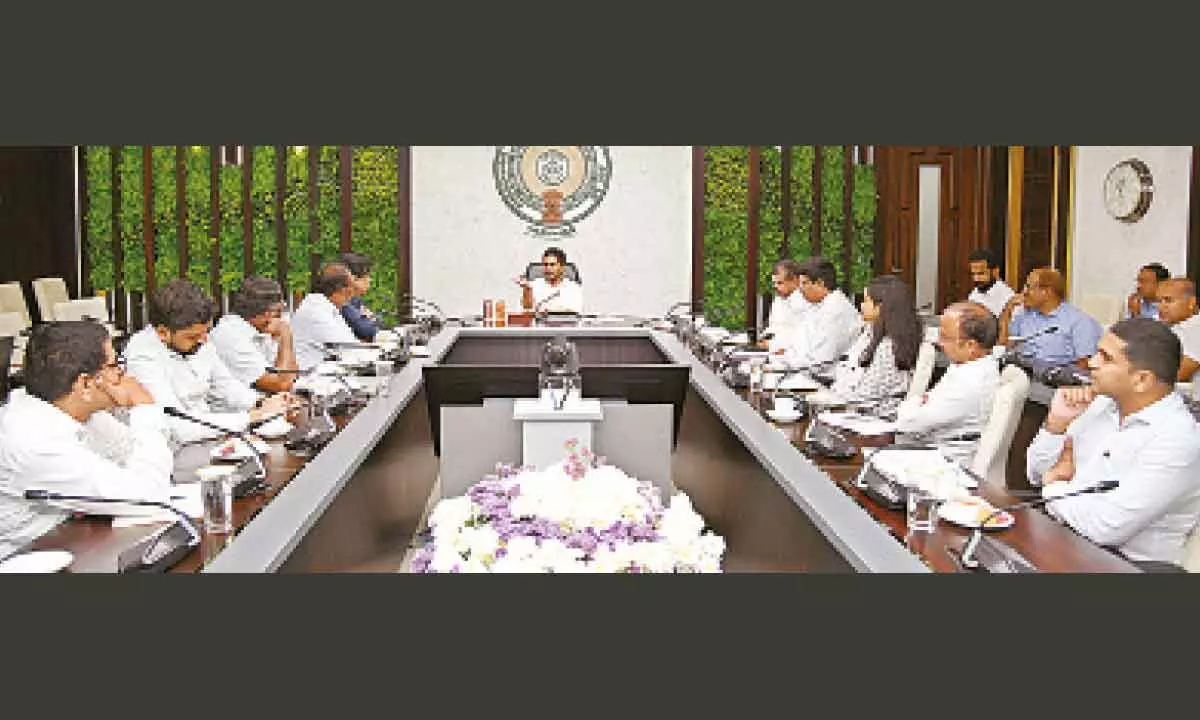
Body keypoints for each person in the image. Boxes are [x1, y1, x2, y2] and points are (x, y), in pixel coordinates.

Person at [1026, 318, 1200, 567]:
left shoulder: (1176, 439)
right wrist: (1057, 424)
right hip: (1068, 539)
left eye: (1106, 358)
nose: (1091, 363)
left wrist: (1054, 487)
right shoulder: (1100, 405)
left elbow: (1106, 527)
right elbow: (1035, 474)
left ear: (1141, 380)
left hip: (1130, 565)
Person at [0, 321, 175, 559]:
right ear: (84, 384)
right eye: (115, 366)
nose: (124, 376)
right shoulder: (32, 439)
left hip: (79, 544)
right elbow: (148, 499)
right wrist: (144, 408)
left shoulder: (75, 409)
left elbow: (136, 453)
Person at [124, 279, 289, 444]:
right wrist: (251, 417)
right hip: (173, 450)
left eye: (206, 332)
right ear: (162, 332)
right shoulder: (142, 357)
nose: (204, 340)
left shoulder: (200, 340)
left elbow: (226, 385)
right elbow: (178, 427)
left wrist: (263, 403)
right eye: (193, 336)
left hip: (208, 437)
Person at [895, 302, 1001, 461]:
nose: (940, 342)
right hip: (931, 448)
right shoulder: (965, 365)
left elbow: (908, 423)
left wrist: (916, 403)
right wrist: (919, 403)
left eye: (945, 337)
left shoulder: (970, 381)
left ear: (970, 345)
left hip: (946, 460)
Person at [828, 275, 922, 413]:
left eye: (866, 301)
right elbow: (845, 369)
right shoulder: (869, 332)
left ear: (881, 307)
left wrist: (829, 398)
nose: (861, 306)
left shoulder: (888, 347)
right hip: (849, 404)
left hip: (869, 416)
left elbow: (865, 395)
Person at [999, 267, 1102, 370]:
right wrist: (1007, 309)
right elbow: (1003, 346)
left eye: (1029, 287)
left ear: (1047, 292)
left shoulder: (1079, 321)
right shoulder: (1025, 315)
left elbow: (1085, 365)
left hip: (1054, 379)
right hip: (1020, 372)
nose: (1024, 292)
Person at [208, 276, 299, 392]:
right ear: (267, 314)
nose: (281, 318)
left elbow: (291, 376)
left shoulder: (259, 329)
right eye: (279, 312)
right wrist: (286, 336)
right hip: (239, 408)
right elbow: (281, 384)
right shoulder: (230, 336)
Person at [774, 256, 861, 369]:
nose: (800, 289)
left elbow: (820, 362)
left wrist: (784, 361)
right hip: (803, 371)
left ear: (820, 283)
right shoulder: (819, 305)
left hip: (824, 380)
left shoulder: (836, 311)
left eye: (804, 283)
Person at [291, 262, 362, 370]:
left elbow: (351, 343)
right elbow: (348, 348)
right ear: (342, 290)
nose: (353, 293)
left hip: (321, 372)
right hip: (308, 377)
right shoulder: (316, 312)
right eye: (352, 287)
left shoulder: (326, 307)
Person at [758, 258, 812, 350]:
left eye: (780, 283)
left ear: (795, 280)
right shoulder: (779, 298)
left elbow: (805, 338)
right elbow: (774, 326)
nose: (775, 287)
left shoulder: (807, 301)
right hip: (773, 349)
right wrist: (763, 338)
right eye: (774, 283)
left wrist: (772, 344)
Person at [1155, 277, 1200, 382]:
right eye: (1159, 301)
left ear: (1191, 303)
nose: (1161, 307)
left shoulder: (1195, 328)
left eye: (1168, 300)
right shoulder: (1176, 326)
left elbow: (1179, 374)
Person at [515, 246, 583, 314]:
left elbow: (575, 313)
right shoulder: (532, 286)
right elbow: (525, 311)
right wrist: (527, 289)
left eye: (552, 265)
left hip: (565, 323)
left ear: (562, 267)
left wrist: (549, 313)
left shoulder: (573, 287)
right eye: (545, 265)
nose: (548, 268)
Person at [338, 251, 379, 342]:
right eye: (367, 276)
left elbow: (379, 321)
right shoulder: (342, 302)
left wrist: (371, 318)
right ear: (354, 279)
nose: (370, 280)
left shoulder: (354, 300)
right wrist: (370, 319)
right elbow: (367, 329)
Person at [965, 248, 1016, 317]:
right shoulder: (974, 294)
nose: (976, 279)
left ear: (995, 272)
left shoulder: (1008, 298)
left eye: (981, 273)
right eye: (973, 274)